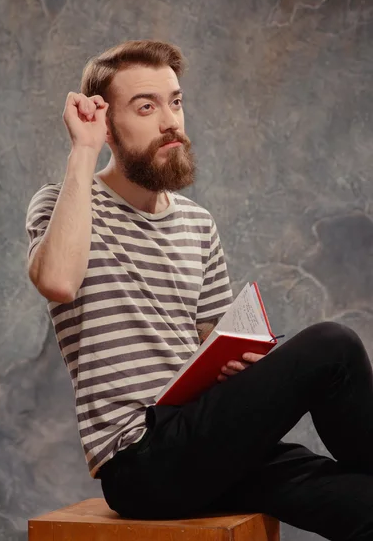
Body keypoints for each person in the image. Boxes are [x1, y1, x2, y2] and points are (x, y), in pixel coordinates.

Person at [26, 40, 373, 540]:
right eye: (146, 106)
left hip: (205, 443)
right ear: (105, 125)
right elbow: (58, 281)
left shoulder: (197, 223)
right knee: (332, 345)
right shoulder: (63, 204)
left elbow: (213, 348)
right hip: (141, 461)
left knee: (363, 503)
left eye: (176, 102)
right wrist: (82, 151)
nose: (170, 121)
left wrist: (238, 364)